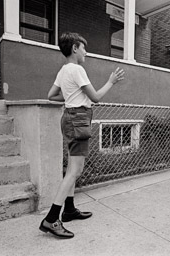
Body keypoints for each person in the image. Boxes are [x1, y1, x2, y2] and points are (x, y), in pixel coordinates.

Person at [40, 32, 125, 239]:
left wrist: (70, 95)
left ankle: (69, 210)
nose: (86, 51)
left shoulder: (63, 70)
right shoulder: (77, 69)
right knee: (74, 171)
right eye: (84, 48)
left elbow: (51, 96)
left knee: (72, 168)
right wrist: (111, 81)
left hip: (69, 117)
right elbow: (95, 97)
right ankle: (51, 219)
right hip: (78, 118)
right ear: (75, 48)